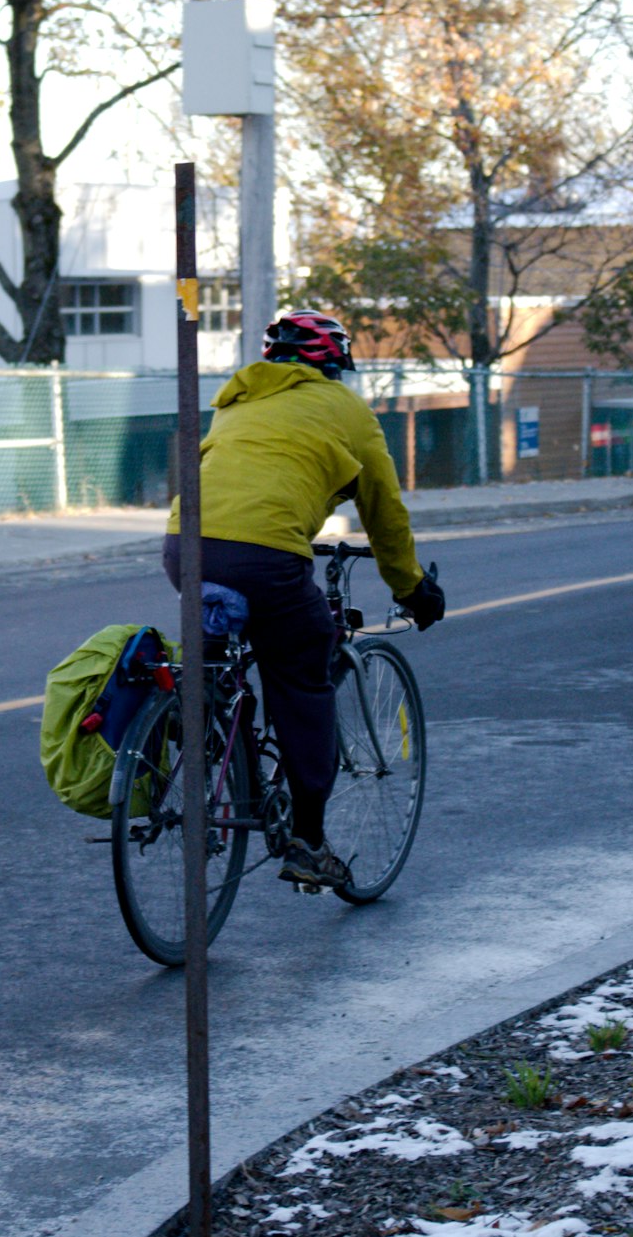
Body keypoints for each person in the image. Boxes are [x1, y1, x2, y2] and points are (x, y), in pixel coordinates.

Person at [163, 309, 445, 891]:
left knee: (216, 656)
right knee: (302, 671)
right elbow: (384, 511)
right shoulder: (347, 411)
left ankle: (212, 731)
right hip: (267, 556)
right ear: (334, 366)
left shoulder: (236, 401)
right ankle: (309, 841)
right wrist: (412, 589)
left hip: (183, 547)